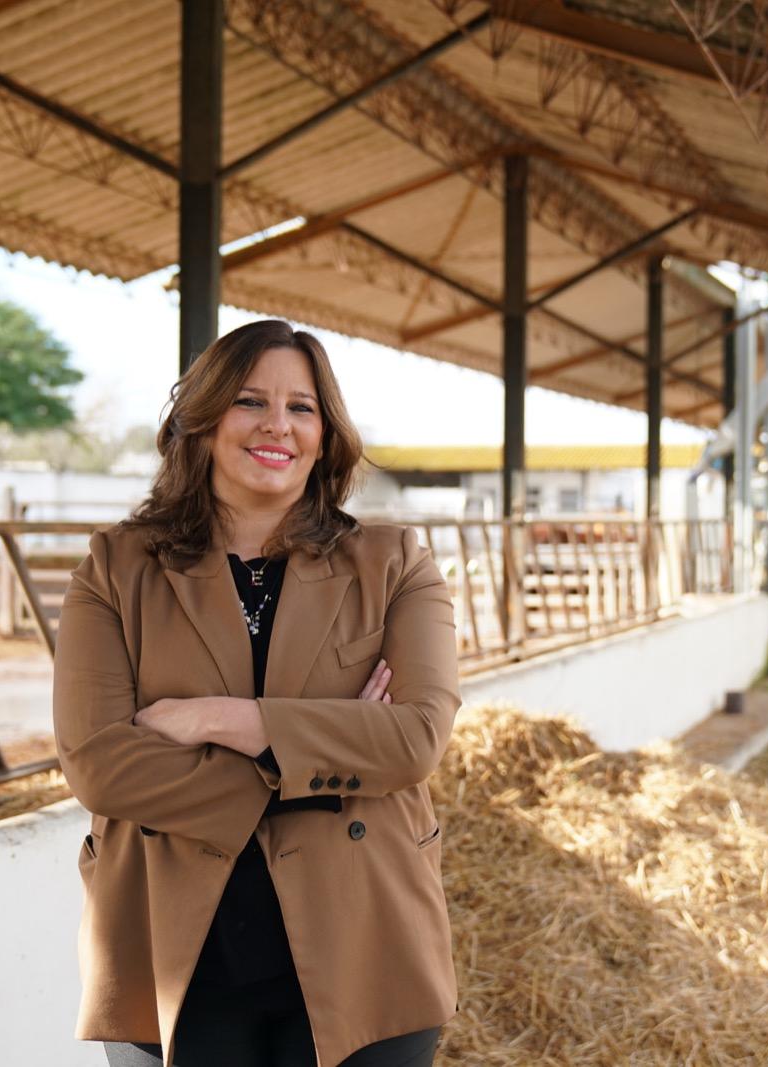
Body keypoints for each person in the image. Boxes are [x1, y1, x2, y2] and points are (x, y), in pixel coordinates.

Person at [52, 320, 462, 1066]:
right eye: (251, 400)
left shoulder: (396, 562)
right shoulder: (117, 569)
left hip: (365, 937)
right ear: (203, 420)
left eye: (302, 407)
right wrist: (326, 750)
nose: (278, 425)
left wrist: (220, 719)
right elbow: (99, 763)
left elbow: (414, 740)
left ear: (326, 432)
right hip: (176, 944)